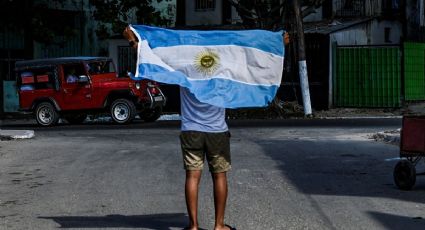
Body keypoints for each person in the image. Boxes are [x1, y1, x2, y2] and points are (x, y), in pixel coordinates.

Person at [123, 26, 236, 230]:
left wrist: (132, 41)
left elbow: (153, 59)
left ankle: (193, 226)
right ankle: (219, 226)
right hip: (217, 130)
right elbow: (250, 60)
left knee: (192, 176)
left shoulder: (183, 67)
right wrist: (278, 45)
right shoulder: (222, 68)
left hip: (191, 129)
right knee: (219, 175)